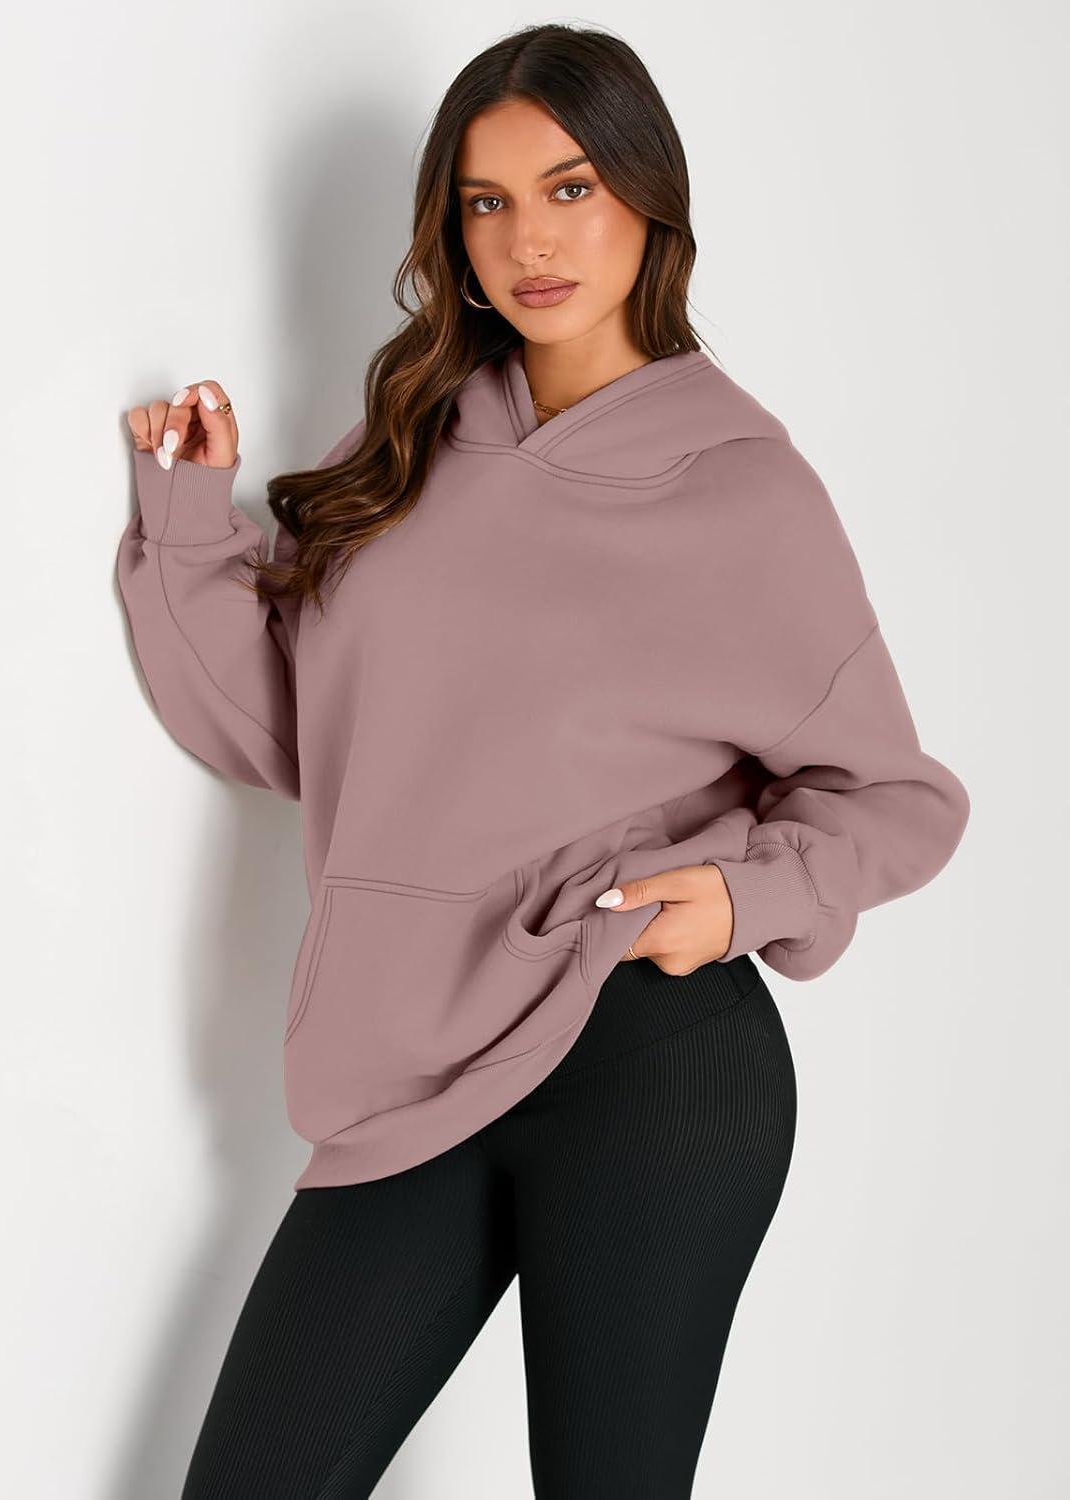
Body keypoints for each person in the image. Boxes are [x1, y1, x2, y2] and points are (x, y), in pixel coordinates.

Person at [116, 23, 970, 1499]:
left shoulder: (744, 489)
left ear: (648, 198)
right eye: (487, 201)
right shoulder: (412, 437)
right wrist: (192, 524)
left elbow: (897, 797)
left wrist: (743, 896)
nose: (530, 240)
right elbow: (296, 732)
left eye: (570, 189)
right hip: (412, 1062)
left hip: (648, 1051)